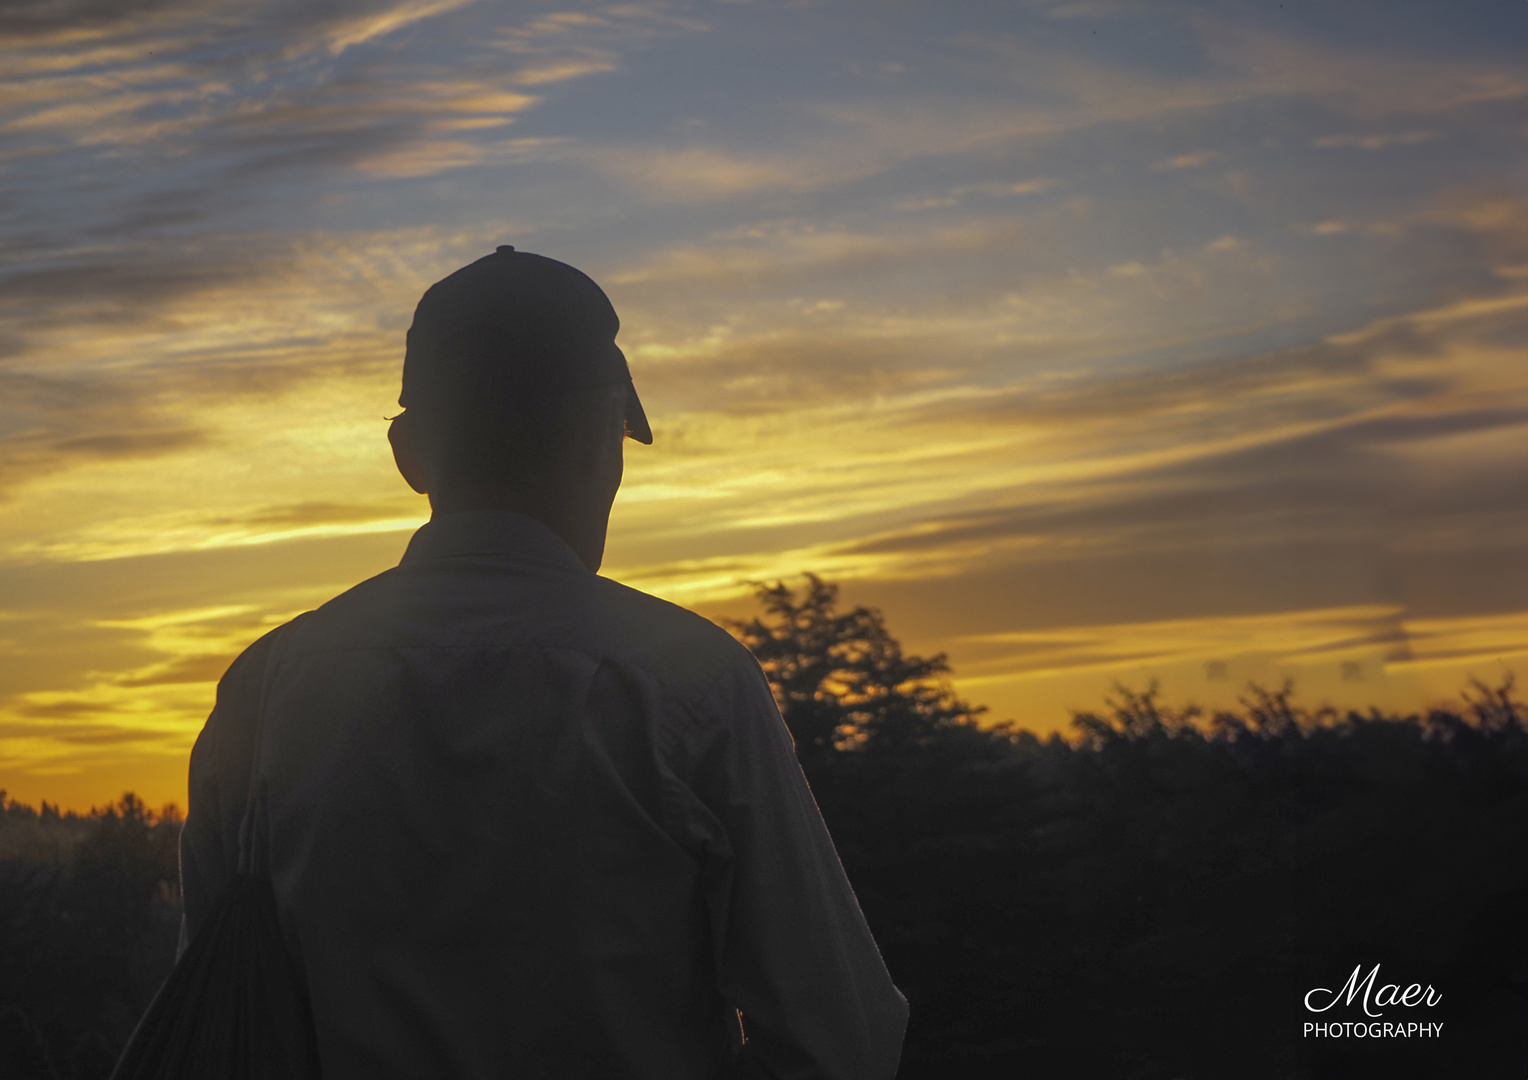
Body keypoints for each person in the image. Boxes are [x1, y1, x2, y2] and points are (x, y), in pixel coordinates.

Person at [177, 246, 909, 1079]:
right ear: (605, 438)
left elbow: (217, 1009)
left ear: (409, 453)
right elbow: (840, 1039)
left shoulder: (262, 692)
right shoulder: (688, 685)